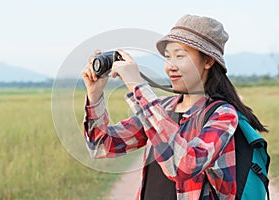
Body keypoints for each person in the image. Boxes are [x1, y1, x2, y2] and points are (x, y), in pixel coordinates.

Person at [81, 14, 268, 200]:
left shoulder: (222, 114)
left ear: (209, 61)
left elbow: (184, 166)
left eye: (180, 56)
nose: (170, 66)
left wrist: (137, 86)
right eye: (168, 57)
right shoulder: (163, 108)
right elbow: (102, 145)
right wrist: (94, 94)